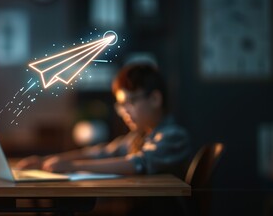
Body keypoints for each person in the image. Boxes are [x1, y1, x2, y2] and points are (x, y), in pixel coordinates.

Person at [16, 64, 191, 179]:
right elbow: (101, 152)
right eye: (121, 106)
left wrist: (72, 166)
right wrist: (46, 160)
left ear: (154, 99)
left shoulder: (173, 135)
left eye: (130, 102)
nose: (125, 112)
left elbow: (138, 164)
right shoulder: (138, 137)